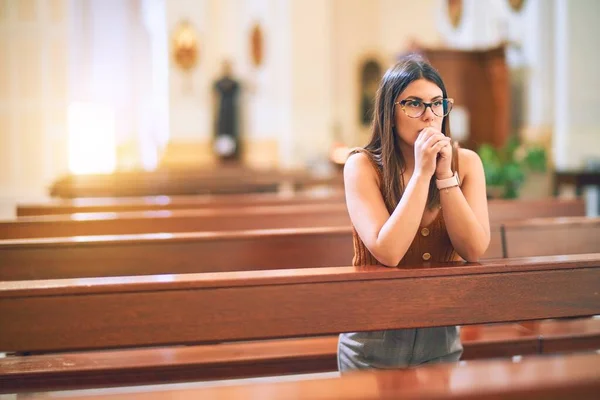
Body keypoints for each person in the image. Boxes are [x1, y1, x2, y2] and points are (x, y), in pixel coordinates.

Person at [338, 55, 490, 371]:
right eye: (414, 104)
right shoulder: (362, 166)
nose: (429, 116)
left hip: (441, 336)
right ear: (390, 114)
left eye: (437, 104)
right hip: (373, 339)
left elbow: (474, 249)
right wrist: (422, 173)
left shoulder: (468, 164)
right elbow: (389, 251)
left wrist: (445, 175)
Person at [213, 60, 241, 162]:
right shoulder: (218, 83)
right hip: (222, 112)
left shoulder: (235, 83)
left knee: (232, 133)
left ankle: (232, 154)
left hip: (232, 112)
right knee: (222, 134)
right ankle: (222, 154)